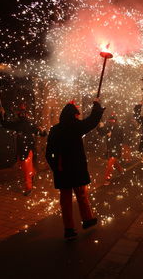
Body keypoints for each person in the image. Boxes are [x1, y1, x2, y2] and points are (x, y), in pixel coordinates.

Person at [45, 99, 104, 240]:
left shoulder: (55, 130)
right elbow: (92, 121)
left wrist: (55, 167)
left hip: (62, 170)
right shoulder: (76, 127)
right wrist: (96, 106)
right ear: (74, 115)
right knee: (82, 195)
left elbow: (49, 153)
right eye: (77, 115)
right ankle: (87, 219)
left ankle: (69, 229)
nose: (78, 117)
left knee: (65, 200)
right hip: (76, 168)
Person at [0, 104, 46, 196]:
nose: (22, 114)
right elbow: (5, 124)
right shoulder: (20, 124)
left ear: (26, 114)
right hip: (22, 149)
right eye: (21, 113)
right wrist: (2, 114)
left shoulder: (29, 124)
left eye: (23, 113)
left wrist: (42, 131)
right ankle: (32, 174)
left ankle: (29, 188)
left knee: (26, 169)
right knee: (24, 167)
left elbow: (42, 134)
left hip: (27, 150)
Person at [97, 114, 124, 185]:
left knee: (110, 163)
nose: (111, 122)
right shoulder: (107, 127)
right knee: (113, 162)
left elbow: (120, 139)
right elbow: (101, 133)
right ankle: (121, 170)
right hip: (110, 148)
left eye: (113, 121)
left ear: (116, 121)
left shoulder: (119, 128)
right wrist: (100, 127)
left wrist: (112, 135)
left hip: (116, 148)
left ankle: (107, 179)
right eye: (110, 121)